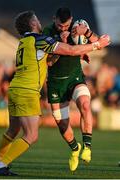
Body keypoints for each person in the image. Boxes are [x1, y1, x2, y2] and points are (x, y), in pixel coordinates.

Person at [0, 10, 110, 176]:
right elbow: (69, 50)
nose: (39, 22)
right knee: (31, 135)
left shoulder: (24, 41)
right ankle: (1, 165)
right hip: (27, 91)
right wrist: (97, 44)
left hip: (15, 89)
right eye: (36, 19)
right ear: (32, 24)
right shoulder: (40, 39)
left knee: (13, 130)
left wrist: (79, 49)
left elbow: (51, 58)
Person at [43, 7, 110, 172]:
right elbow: (49, 62)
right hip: (56, 84)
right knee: (62, 124)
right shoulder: (47, 32)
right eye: (60, 25)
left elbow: (97, 43)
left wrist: (86, 32)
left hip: (75, 78)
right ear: (54, 20)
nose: (64, 29)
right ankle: (75, 149)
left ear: (71, 20)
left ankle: (87, 146)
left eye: (66, 25)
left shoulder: (78, 26)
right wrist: (63, 43)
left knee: (85, 105)